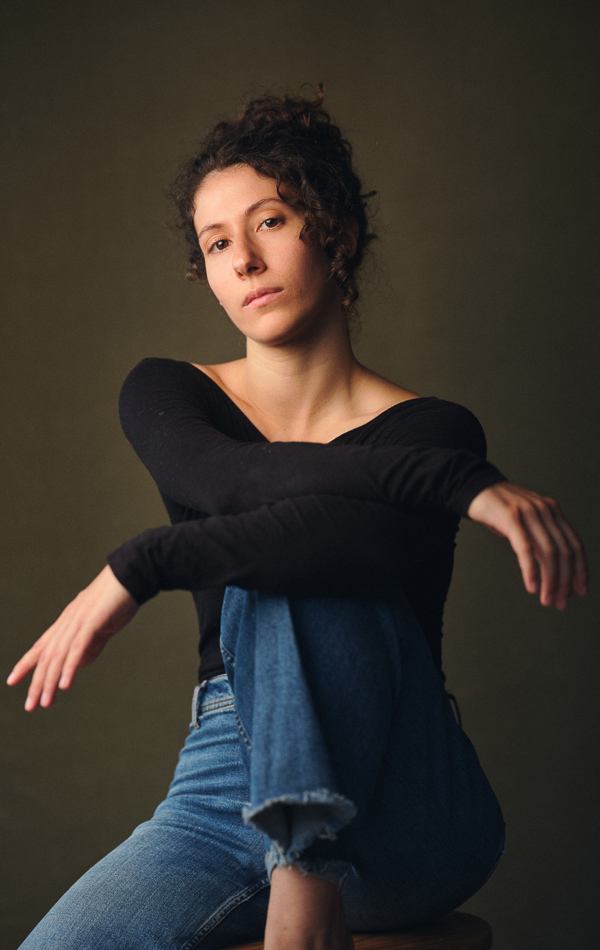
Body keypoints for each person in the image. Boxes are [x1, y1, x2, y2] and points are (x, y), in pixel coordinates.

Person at [8, 88, 587, 950]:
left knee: (306, 552)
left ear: (338, 234)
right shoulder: (170, 392)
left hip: (404, 792)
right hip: (222, 784)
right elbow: (235, 480)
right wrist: (446, 484)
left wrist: (147, 561)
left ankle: (303, 870)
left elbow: (356, 542)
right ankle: (297, 871)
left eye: (270, 222)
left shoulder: (436, 428)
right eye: (216, 243)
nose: (243, 259)